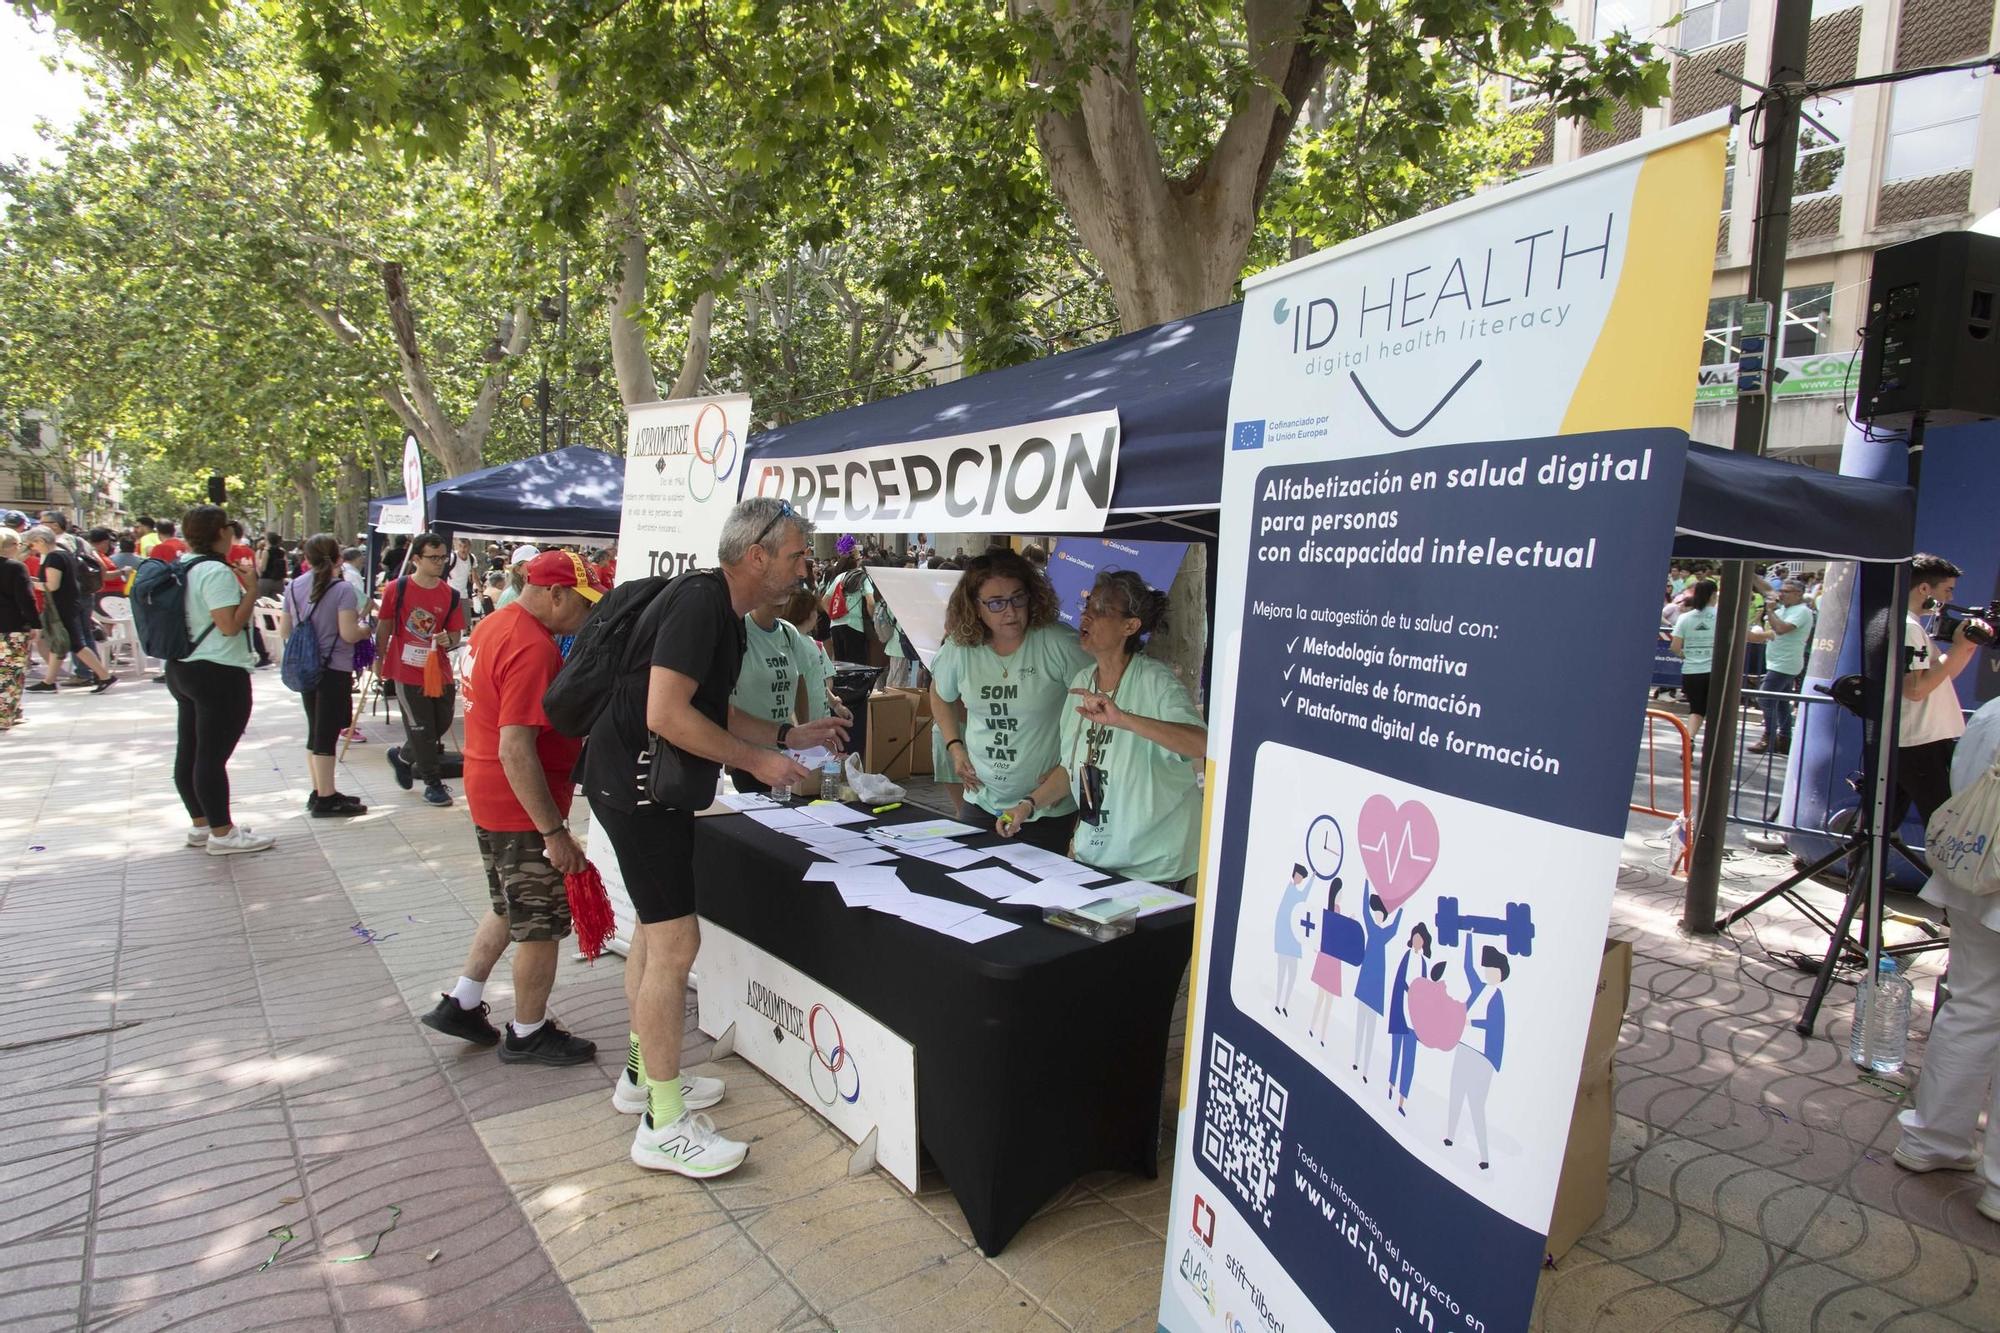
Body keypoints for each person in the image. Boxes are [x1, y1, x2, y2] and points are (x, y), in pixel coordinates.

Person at [584, 496, 847, 1177]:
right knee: (676, 942)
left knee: (653, 929)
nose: (803, 567)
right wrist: (757, 760)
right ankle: (662, 1124)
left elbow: (712, 706)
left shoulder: (720, 612)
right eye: (795, 554)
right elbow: (667, 713)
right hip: (640, 789)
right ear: (756, 554)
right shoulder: (702, 604)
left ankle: (645, 1079)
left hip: (641, 785)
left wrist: (786, 735)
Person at [421, 550, 605, 1064]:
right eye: (584, 604)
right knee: (541, 924)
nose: (587, 617)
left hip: (490, 792)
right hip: (519, 803)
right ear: (555, 594)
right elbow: (515, 746)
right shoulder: (532, 646)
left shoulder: (494, 625)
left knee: (508, 904)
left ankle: (463, 999)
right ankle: (528, 1030)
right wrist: (553, 832)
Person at [994, 570, 1205, 880]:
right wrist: (1028, 805)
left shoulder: (1156, 682)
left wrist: (1124, 720)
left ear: (1130, 626)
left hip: (1153, 867)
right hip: (1094, 858)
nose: (1087, 616)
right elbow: (1071, 769)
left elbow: (1201, 744)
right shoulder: (1082, 682)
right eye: (1088, 606)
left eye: (1101, 609)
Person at [1892, 696, 2000, 1222]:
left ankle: (1932, 1136)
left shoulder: (1993, 712)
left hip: (1977, 881)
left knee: (1971, 1005)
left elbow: (1959, 783)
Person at [930, 549, 1092, 853]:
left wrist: (1069, 765)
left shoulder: (1058, 643)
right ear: (975, 607)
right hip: (981, 798)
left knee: (1034, 895)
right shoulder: (961, 648)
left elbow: (1097, 707)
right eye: (996, 603)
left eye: (1019, 598)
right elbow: (940, 694)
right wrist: (954, 746)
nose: (1011, 611)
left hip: (1046, 805)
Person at [167, 504, 272, 854]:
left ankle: (203, 824)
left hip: (183, 667)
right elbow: (229, 625)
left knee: (192, 749)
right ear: (220, 532)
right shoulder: (214, 571)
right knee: (211, 756)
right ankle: (222, 833)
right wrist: (252, 590)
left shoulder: (182, 565)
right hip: (217, 670)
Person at [278, 534, 372, 816]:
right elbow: (348, 633)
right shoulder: (342, 590)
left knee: (316, 729)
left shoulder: (294, 586)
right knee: (326, 733)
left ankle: (320, 789)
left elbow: (285, 631)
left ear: (305, 559)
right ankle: (326, 797)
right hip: (334, 668)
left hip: (307, 668)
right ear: (338, 558)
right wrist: (365, 629)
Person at [376, 531, 466, 807]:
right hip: (405, 669)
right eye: (433, 557)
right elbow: (385, 627)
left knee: (442, 721)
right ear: (416, 559)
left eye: (443, 557)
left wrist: (447, 639)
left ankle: (403, 757)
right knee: (421, 726)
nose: (439, 563)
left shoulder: (450, 594)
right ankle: (432, 782)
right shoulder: (397, 588)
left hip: (437, 669)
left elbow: (456, 634)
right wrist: (378, 660)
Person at [1894, 554, 1978, 832]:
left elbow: (1940, 678)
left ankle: (1864, 872)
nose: (1950, 598)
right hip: (1919, 743)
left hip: (1919, 739)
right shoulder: (1908, 627)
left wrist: (1965, 647)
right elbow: (1916, 689)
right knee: (1944, 826)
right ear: (1924, 590)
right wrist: (1956, 648)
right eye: (1948, 590)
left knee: (1883, 823)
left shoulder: (1911, 626)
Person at [726, 583, 828, 793]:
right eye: (778, 592)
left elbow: (800, 684)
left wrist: (804, 733)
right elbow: (723, 691)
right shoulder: (738, 629)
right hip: (748, 751)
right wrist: (729, 749)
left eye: (787, 594)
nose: (784, 599)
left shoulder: (788, 632)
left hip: (784, 748)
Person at [22, 527, 116, 694]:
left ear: (41, 541)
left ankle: (104, 676)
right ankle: (49, 681)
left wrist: (28, 582)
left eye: (32, 544)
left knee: (76, 644)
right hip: (69, 604)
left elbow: (52, 585)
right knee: (60, 643)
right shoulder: (63, 553)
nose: (32, 549)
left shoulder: (54, 557)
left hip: (62, 606)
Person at [1444, 944, 1509, 1169]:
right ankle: (1450, 1136)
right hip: (1464, 1048)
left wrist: (1472, 1022)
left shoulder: (1496, 998)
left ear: (1500, 975)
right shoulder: (1479, 989)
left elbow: (1495, 1026)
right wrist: (1469, 936)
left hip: (1482, 1058)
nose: (1488, 972)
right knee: (1455, 1093)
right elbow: (1467, 967)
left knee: (1476, 1105)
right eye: (1488, 969)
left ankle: (1484, 1156)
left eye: (1493, 970)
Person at [1747, 577, 1815, 755]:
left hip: (1785, 663)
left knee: (1765, 698)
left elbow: (1781, 629)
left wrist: (1769, 611)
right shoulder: (1786, 608)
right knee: (1782, 702)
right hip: (1778, 661)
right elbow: (1768, 590)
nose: (1781, 594)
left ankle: (1769, 737)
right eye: (1782, 591)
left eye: (1786, 592)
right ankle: (1784, 739)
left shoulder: (1801, 611)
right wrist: (1751, 572)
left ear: (1799, 594)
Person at [1352, 893, 1405, 1084]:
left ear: (1384, 916)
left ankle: (1366, 1068)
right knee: (1360, 1025)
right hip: (1365, 982)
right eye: (1376, 913)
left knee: (1370, 1030)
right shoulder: (1372, 928)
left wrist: (1402, 906)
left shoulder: (1383, 935)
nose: (1376, 916)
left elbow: (1396, 928)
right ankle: (1356, 1061)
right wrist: (1366, 886)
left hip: (1375, 987)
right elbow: (1365, 911)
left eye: (1380, 914)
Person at [1386, 922, 1432, 1117]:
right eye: (1415, 937)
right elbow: (1399, 983)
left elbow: (1424, 990)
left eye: (1420, 938)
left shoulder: (1423, 963)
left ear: (1424, 942)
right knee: (1396, 1052)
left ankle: (1402, 1100)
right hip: (1400, 1012)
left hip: (1414, 1019)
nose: (1417, 941)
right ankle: (1390, 1084)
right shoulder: (1406, 957)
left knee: (1409, 1059)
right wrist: (1408, 991)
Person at [1670, 578, 1719, 747]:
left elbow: (1675, 646)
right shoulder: (1721, 615)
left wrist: (1687, 655)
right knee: (1718, 710)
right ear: (1714, 595)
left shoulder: (1685, 618)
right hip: (1716, 670)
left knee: (1696, 709)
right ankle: (1715, 748)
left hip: (1691, 670)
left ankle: (1689, 738)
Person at [0, 529, 38, 730]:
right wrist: (35, 623)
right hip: (12, 627)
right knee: (11, 672)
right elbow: (26, 599)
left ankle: (13, 711)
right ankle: (6, 715)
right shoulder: (16, 567)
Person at [821, 554, 875, 664]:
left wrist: (833, 615)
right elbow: (871, 602)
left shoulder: (839, 577)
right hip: (854, 625)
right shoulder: (863, 577)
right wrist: (872, 618)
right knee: (856, 665)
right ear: (856, 563)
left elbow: (824, 601)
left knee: (840, 664)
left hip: (835, 626)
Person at [1272, 864, 1310, 1016]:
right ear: (1294, 875)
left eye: (1302, 877)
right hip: (1285, 940)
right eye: (1299, 876)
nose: (1300, 879)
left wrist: (1312, 879)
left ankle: (1285, 1005)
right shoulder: (1290, 890)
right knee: (1282, 973)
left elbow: (1303, 897)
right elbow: (1301, 897)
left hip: (1293, 940)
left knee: (1292, 974)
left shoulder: (1294, 891)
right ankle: (1277, 1002)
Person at [495, 543, 538, 609]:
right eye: (533, 563)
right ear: (518, 569)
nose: (538, 566)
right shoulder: (510, 595)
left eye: (539, 562)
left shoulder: (540, 590)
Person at [257, 532, 289, 599]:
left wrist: (258, 563)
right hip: (279, 581)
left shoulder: (266, 552)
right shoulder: (282, 552)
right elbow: (286, 566)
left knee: (264, 603)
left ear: (267, 541)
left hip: (266, 580)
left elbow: (263, 568)